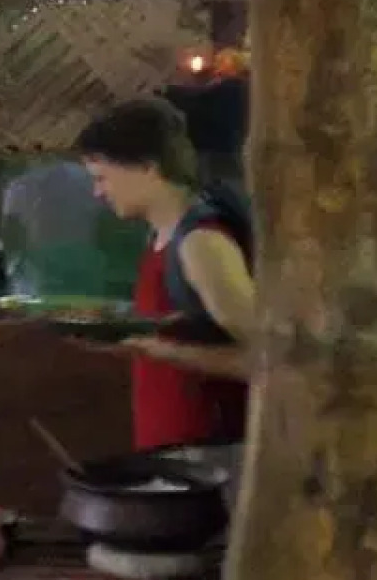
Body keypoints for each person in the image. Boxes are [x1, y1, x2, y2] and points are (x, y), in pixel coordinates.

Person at [74, 96, 255, 451]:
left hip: (213, 461)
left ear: (147, 167)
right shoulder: (160, 235)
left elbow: (274, 362)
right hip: (175, 453)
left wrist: (160, 350)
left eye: (102, 178)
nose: (97, 192)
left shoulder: (202, 243)